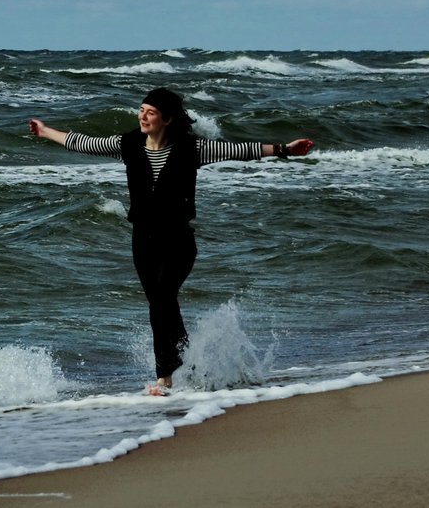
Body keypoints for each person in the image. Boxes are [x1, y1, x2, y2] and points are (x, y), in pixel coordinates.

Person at [28, 88, 313, 395]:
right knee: (160, 304)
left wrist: (284, 149)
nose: (142, 116)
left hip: (178, 241)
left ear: (167, 119)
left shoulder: (193, 149)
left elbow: (239, 149)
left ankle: (165, 377)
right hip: (143, 241)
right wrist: (46, 132)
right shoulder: (128, 144)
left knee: (162, 298)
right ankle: (189, 365)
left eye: (150, 112)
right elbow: (85, 142)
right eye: (141, 110)